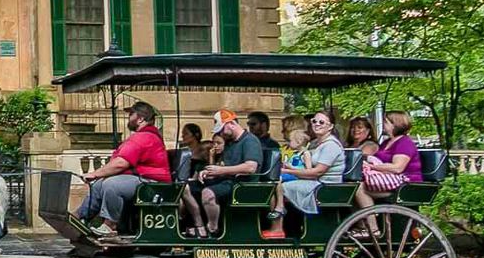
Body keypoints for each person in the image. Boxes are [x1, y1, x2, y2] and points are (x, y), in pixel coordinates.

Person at [73, 101, 171, 237]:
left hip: (153, 183)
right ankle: (79, 218)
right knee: (98, 185)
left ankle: (110, 225)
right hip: (139, 179)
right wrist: (98, 176)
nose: (128, 117)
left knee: (112, 185)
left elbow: (121, 163)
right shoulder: (140, 136)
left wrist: (95, 173)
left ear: (141, 119)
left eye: (131, 114)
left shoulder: (144, 137)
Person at [264, 111, 345, 239]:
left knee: (278, 186)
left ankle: (278, 226)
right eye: (314, 121)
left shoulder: (331, 146)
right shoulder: (315, 144)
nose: (317, 124)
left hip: (325, 186)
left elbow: (317, 172)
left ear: (330, 126)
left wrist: (288, 172)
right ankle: (287, 227)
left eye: (321, 122)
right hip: (315, 182)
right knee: (274, 184)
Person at [180, 109, 261, 238]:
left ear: (231, 124)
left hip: (242, 184)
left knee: (208, 193)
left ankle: (213, 228)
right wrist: (209, 172)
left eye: (222, 129)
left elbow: (251, 167)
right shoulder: (230, 143)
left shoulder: (250, 141)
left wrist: (221, 171)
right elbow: (224, 165)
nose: (220, 133)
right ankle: (198, 225)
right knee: (187, 188)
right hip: (226, 180)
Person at [353, 111, 423, 236]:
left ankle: (372, 229)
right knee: (351, 189)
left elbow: (397, 168)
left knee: (359, 189)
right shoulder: (386, 142)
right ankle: (362, 224)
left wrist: (371, 166)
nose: (383, 124)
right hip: (388, 180)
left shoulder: (405, 143)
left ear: (395, 124)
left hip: (403, 183)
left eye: (386, 122)